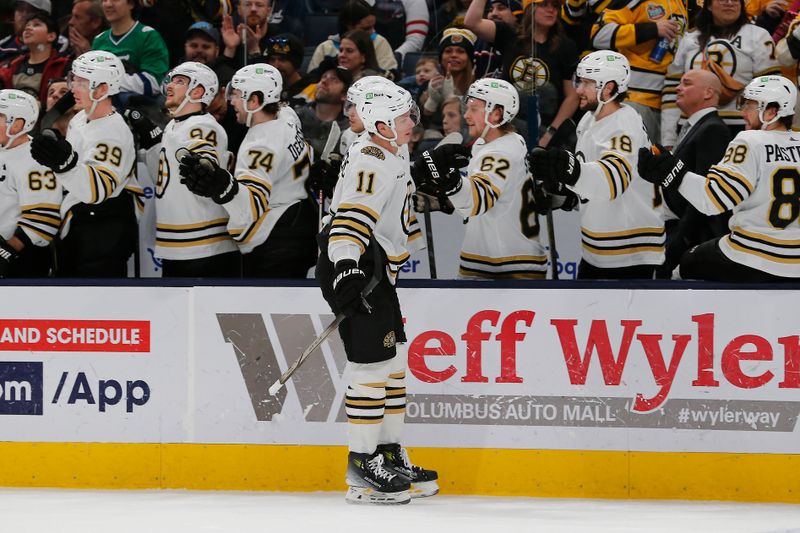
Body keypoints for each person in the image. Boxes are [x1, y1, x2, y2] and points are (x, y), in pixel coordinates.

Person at [316, 79, 437, 504]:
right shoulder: (373, 159)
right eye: (405, 117)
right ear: (383, 124)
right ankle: (361, 465)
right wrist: (346, 269)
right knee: (371, 369)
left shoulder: (391, 147)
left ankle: (387, 452)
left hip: (378, 270)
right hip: (357, 267)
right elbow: (351, 217)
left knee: (395, 363)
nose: (412, 123)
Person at [638, 75, 800, 282]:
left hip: (753, 255)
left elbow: (714, 200)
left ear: (772, 111)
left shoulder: (750, 140)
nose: (743, 112)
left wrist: (672, 172)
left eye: (750, 105)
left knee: (682, 265)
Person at [528, 51, 665, 279]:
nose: (578, 89)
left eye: (587, 83)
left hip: (629, 250)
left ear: (608, 88)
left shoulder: (623, 125)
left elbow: (613, 181)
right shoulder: (590, 119)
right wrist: (562, 192)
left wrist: (568, 170)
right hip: (599, 247)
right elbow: (588, 182)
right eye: (579, 81)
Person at [412, 78, 564, 279]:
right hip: (498, 258)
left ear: (496, 113)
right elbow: (493, 200)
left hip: (507, 265)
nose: (466, 115)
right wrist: (445, 200)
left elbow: (477, 201)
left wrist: (447, 178)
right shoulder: (500, 142)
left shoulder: (499, 153)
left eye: (474, 109)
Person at [181, 63, 318, 278]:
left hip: (277, 242)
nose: (231, 101)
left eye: (236, 95)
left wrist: (221, 185)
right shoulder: (287, 115)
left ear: (254, 101)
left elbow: (250, 208)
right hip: (300, 223)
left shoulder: (259, 146)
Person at [29, 50, 138, 277]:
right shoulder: (80, 119)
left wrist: (64, 163)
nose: (73, 88)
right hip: (80, 223)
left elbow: (96, 191)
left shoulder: (114, 132)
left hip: (104, 231)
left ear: (103, 89)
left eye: (82, 82)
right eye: (74, 79)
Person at [145, 61, 239, 278]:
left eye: (179, 82)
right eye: (171, 80)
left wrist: (202, 164)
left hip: (204, 245)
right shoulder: (174, 126)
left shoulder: (203, 125)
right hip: (180, 245)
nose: (169, 85)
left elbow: (205, 157)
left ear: (197, 92)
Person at [661, 0, 780, 148]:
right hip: (691, 127)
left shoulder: (758, 36)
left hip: (742, 129)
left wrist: (765, 130)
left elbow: (771, 89)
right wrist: (669, 139)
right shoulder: (689, 39)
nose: (729, 3)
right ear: (709, 5)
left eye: (735, 0)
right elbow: (673, 90)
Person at [465, 0, 580, 146]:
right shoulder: (509, 35)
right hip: (506, 128)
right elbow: (471, 22)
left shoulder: (566, 46)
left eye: (555, 6)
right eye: (544, 5)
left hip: (546, 131)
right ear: (529, 9)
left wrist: (550, 134)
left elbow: (572, 97)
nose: (551, 10)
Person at [657, 69, 732, 278]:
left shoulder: (713, 130)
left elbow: (705, 194)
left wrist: (681, 242)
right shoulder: (696, 126)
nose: (678, 88)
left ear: (708, 93)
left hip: (693, 239)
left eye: (686, 83)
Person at [591, 0, 689, 144]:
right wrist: (652, 29)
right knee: (632, 159)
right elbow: (599, 34)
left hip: (670, 103)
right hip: (636, 99)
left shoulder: (682, 2)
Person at [0, 89, 61, 277]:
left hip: (22, 259)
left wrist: (5, 252)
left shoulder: (37, 159)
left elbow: (44, 219)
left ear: (17, 125)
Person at [91, 0, 169, 102]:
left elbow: (154, 83)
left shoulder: (148, 36)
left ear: (131, 3)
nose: (108, 4)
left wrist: (107, 82)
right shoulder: (99, 40)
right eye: (104, 0)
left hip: (136, 110)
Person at [308, 0, 398, 74]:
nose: (372, 32)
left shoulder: (380, 42)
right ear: (349, 26)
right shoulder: (325, 48)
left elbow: (391, 76)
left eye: (373, 26)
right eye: (366, 29)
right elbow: (311, 81)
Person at [0, 13, 71, 104]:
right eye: (27, 26)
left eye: (36, 24)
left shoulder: (64, 66)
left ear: (51, 36)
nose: (27, 28)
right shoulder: (12, 65)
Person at [295, 58, 352, 160]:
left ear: (345, 95)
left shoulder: (349, 130)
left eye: (334, 79)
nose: (324, 81)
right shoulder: (296, 117)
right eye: (323, 77)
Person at [0, 0, 69, 67]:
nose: (24, 15)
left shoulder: (61, 44)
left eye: (31, 11)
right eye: (20, 9)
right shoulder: (2, 46)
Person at [265, 34, 314, 106]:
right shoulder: (266, 89)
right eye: (272, 60)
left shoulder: (309, 90)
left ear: (296, 63)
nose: (276, 66)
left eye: (282, 60)